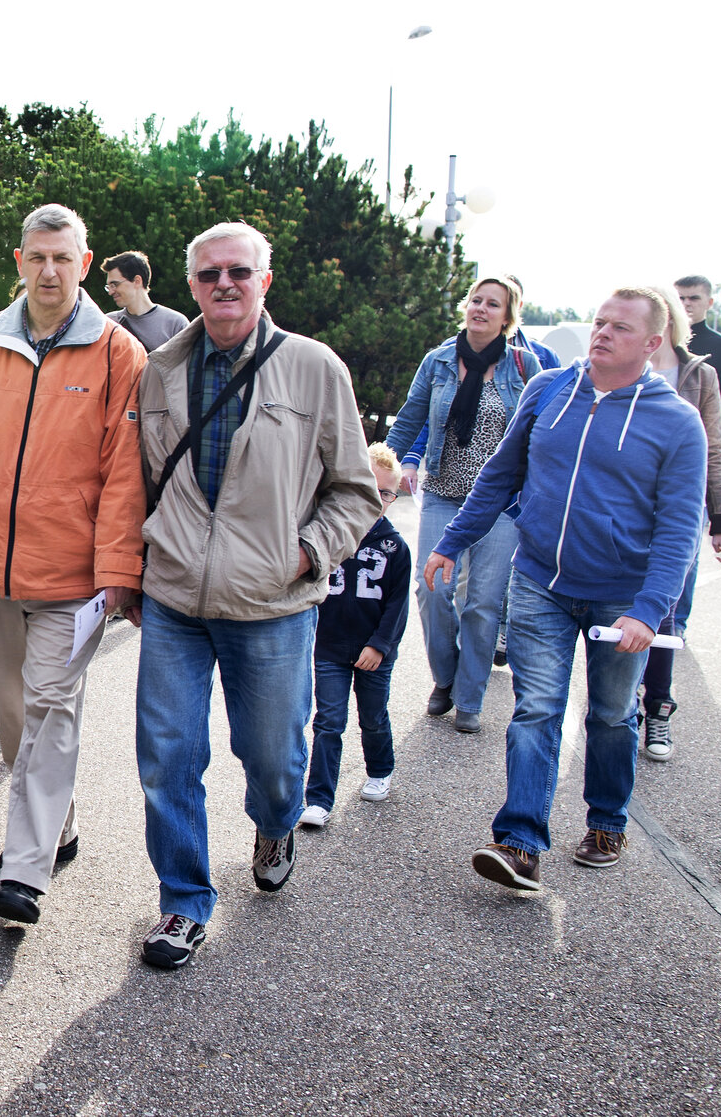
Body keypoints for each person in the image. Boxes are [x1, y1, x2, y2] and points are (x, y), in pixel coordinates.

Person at [131, 220, 381, 970]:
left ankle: (274, 824)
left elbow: (356, 491)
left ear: (263, 280)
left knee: (272, 757)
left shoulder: (314, 368)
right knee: (168, 753)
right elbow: (138, 478)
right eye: (209, 275)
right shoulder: (160, 369)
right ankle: (183, 902)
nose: (224, 285)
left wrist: (306, 553)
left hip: (273, 602)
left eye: (239, 272)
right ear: (192, 286)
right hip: (175, 595)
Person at [0, 204, 147, 931]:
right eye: (38, 257)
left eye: (64, 258)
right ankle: (60, 819)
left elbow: (124, 475)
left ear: (85, 262)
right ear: (20, 260)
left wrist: (118, 570)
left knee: (50, 702)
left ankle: (24, 868)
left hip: (73, 573)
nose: (50, 270)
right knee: (15, 716)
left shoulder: (117, 353)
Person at [432, 288, 705, 893]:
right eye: (600, 322)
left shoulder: (677, 422)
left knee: (610, 714)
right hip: (540, 581)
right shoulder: (547, 390)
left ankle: (607, 821)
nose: (602, 334)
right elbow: (501, 473)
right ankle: (520, 842)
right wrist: (452, 541)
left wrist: (649, 612)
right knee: (536, 709)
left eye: (621, 328)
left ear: (653, 344)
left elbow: (680, 529)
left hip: (622, 598)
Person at [384, 274, 541, 734]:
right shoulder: (438, 361)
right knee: (432, 590)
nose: (482, 308)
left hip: (501, 505)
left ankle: (470, 697)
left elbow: (537, 435)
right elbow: (409, 420)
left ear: (507, 317)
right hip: (443, 495)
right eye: (476, 300)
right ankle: (445, 678)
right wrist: (381, 475)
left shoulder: (525, 366)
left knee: (484, 603)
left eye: (494, 304)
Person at [638, 290, 721, 762]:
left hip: (679, 510)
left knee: (666, 611)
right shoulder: (623, 364)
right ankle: (620, 706)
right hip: (626, 507)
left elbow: (712, 450)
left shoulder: (700, 374)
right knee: (620, 607)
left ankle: (657, 706)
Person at [300, 442, 409, 830]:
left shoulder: (395, 548)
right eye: (369, 487)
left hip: (374, 653)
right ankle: (318, 798)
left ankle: (380, 768)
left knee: (373, 717)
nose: (375, 498)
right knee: (328, 720)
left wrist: (380, 645)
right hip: (329, 647)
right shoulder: (330, 534)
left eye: (385, 493)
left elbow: (398, 607)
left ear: (394, 497)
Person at [676, 276, 721, 456]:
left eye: (694, 298)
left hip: (704, 439)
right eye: (680, 298)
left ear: (709, 302)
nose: (686, 303)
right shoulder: (655, 342)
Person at [101, 250, 189, 353]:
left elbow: (185, 367)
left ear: (137, 281)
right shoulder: (109, 323)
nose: (110, 292)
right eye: (109, 287)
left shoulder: (175, 324)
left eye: (114, 284)